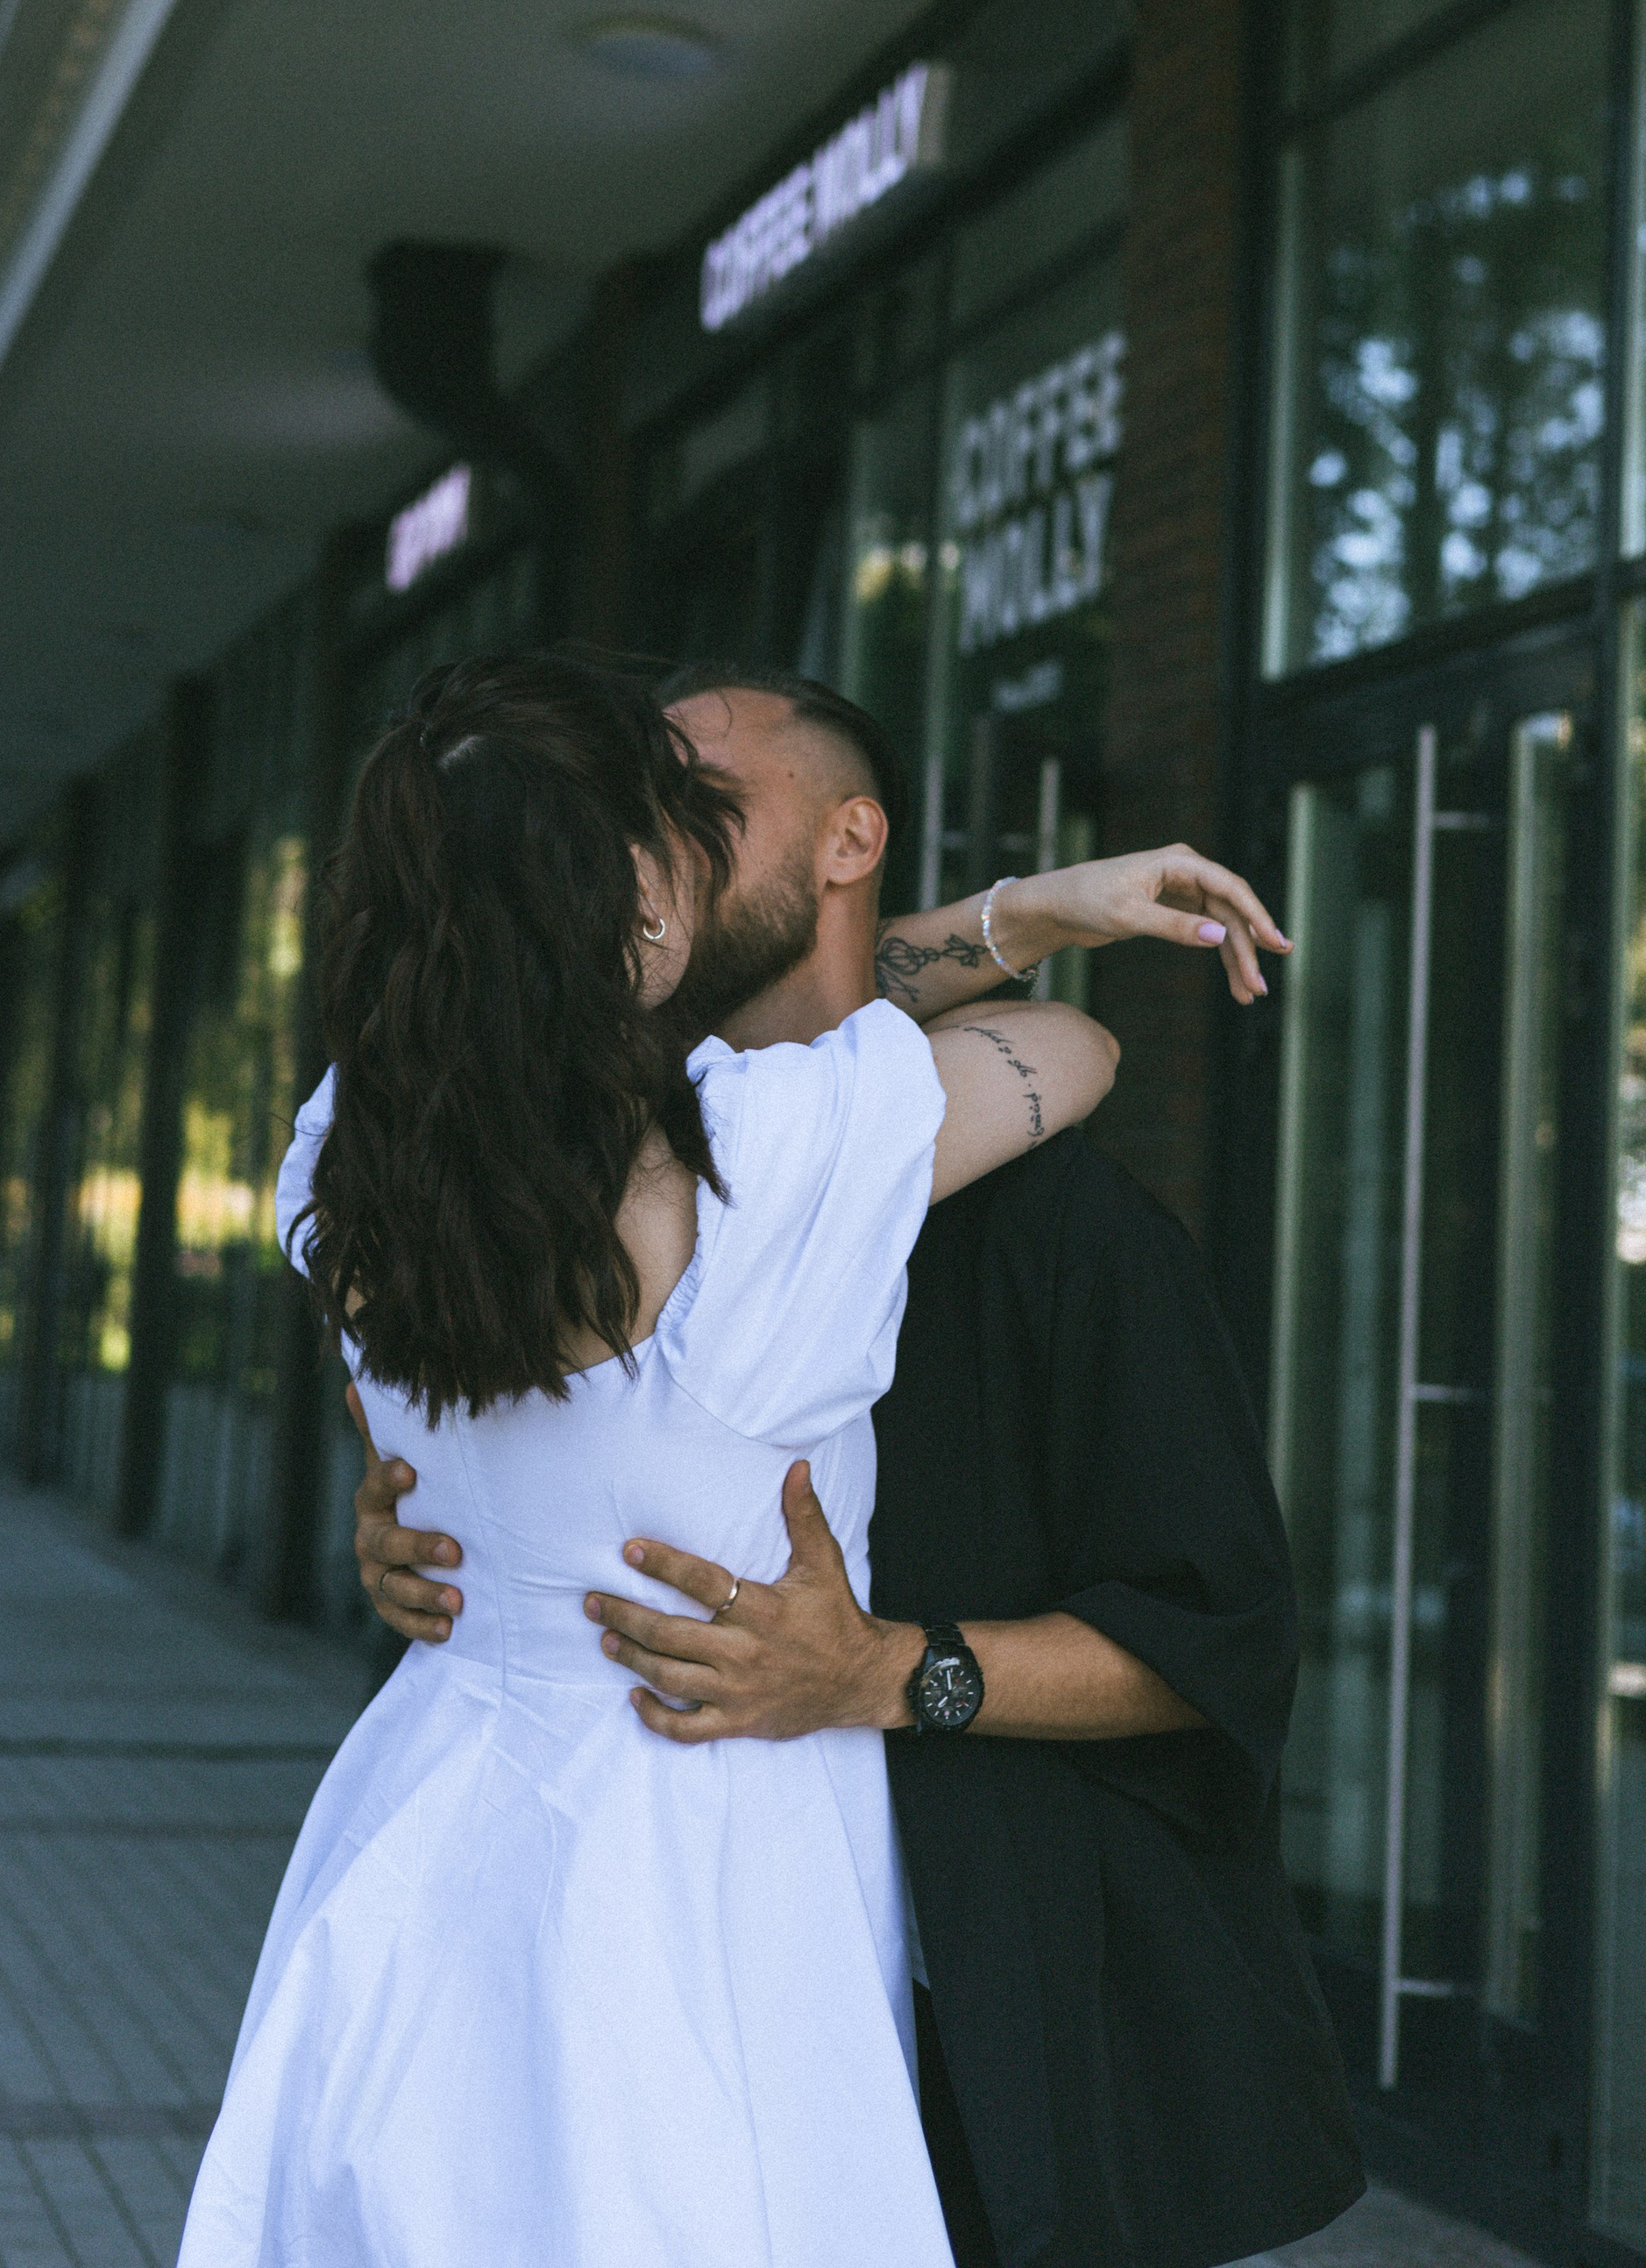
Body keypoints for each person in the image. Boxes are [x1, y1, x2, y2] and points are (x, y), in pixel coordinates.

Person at [357, 667, 1362, 2268]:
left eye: (698, 810)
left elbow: (1217, 1636)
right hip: (654, 1984)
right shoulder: (568, 1170)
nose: (650, 841)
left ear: (850, 842)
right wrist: (447, 1511)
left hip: (984, 2030)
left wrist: (895, 1672)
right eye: (630, 818)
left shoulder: (1057, 1230)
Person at [176, 651, 1121, 2268]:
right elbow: (1070, 1053)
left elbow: (430, 1437)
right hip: (697, 1872)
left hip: (426, 1827)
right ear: (646, 908)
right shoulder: (764, 1174)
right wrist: (1020, 918)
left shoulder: (345, 1152)